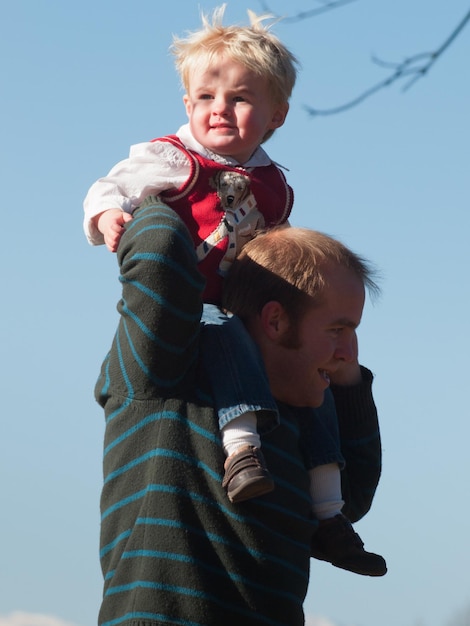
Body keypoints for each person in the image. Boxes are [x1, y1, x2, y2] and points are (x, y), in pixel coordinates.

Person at [84, 6, 385, 574]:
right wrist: (109, 222)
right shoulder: (172, 160)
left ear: (277, 116)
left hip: (238, 306)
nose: (219, 108)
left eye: (241, 99)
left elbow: (272, 247)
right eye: (205, 98)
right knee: (221, 333)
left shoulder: (274, 183)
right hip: (187, 309)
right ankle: (242, 446)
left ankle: (329, 509)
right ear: (187, 105)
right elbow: (109, 190)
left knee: (310, 392)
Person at [96, 198, 384, 626]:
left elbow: (353, 496)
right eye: (337, 329)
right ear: (275, 322)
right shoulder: (168, 374)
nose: (350, 354)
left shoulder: (302, 422)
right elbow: (158, 253)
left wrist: (345, 382)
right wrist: (164, 194)